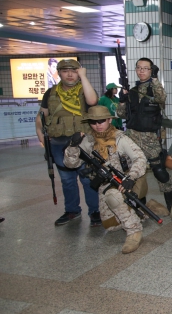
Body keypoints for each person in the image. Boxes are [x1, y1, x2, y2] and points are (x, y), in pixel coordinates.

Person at [63, 106, 146, 253]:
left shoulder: (121, 139)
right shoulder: (88, 141)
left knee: (113, 196)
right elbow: (71, 164)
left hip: (127, 183)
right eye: (93, 122)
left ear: (109, 120)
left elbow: (140, 159)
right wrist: (73, 147)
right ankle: (140, 210)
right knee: (111, 226)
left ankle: (134, 231)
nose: (98, 125)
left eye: (101, 121)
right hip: (104, 185)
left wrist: (131, 177)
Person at [35, 59, 100, 226]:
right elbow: (42, 116)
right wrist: (42, 139)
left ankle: (95, 211)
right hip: (58, 144)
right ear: (59, 73)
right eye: (65, 71)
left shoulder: (84, 91)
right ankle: (72, 210)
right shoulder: (51, 93)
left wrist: (84, 77)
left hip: (83, 143)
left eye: (74, 71)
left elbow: (92, 101)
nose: (70, 74)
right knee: (67, 180)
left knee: (87, 179)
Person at [116, 58, 172, 212]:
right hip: (132, 136)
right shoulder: (131, 90)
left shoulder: (155, 88)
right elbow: (121, 114)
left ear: (151, 70)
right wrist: (122, 100)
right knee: (135, 172)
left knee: (159, 171)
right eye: (139, 68)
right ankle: (139, 207)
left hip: (150, 137)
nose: (142, 71)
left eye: (146, 68)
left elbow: (161, 98)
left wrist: (155, 78)